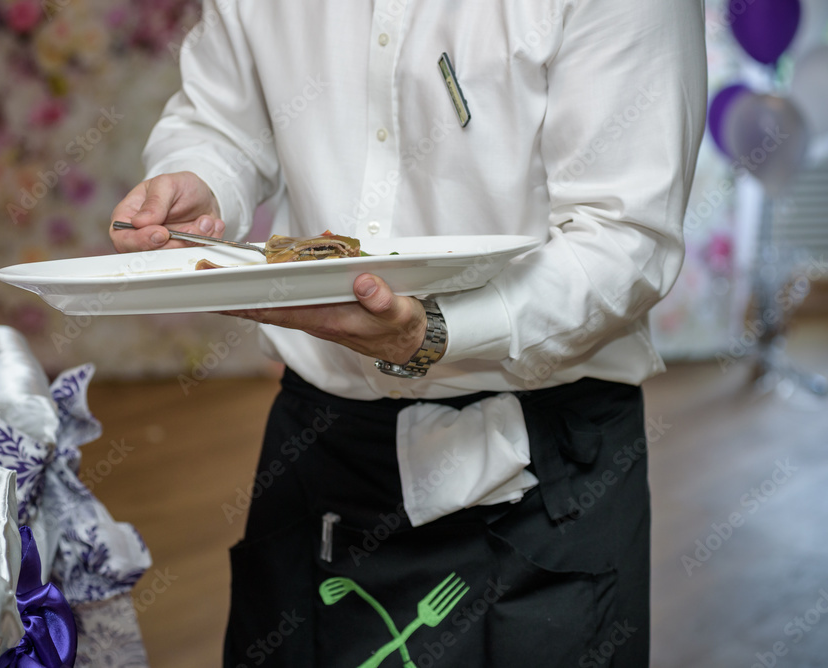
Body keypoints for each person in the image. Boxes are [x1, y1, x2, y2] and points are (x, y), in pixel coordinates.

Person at [110, 1, 706, 665]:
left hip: (550, 463)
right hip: (321, 443)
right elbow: (221, 122)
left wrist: (440, 331)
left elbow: (625, 236)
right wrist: (203, 179)